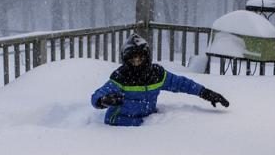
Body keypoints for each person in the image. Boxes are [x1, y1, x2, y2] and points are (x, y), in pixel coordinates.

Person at [91, 33, 229, 126]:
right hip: (118, 124)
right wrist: (102, 100)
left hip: (146, 122)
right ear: (126, 59)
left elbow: (181, 83)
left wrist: (204, 93)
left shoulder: (156, 74)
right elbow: (97, 95)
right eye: (133, 58)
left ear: (147, 56)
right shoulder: (121, 77)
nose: (137, 61)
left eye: (140, 57)